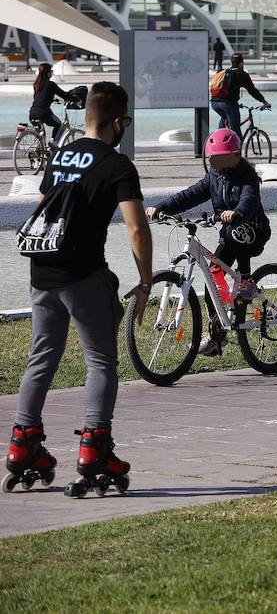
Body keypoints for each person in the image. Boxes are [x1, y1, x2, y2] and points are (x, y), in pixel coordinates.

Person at [11, 82, 151, 497]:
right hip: (82, 272)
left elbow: (42, 206)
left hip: (43, 269)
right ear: (117, 121)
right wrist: (144, 282)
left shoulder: (59, 154)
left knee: (43, 356)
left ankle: (23, 444)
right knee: (101, 360)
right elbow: (137, 227)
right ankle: (95, 448)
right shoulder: (117, 165)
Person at [148, 128, 271, 356]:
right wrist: (161, 208)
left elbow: (249, 200)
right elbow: (189, 195)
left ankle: (246, 279)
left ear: (236, 155)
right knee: (212, 279)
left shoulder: (248, 176)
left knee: (236, 233)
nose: (218, 163)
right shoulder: (214, 176)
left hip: (254, 231)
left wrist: (235, 214)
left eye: (223, 158)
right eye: (214, 159)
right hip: (230, 233)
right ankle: (217, 332)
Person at [210, 52, 270, 134]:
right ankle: (237, 145)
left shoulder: (224, 72)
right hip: (227, 104)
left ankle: (219, 139)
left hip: (214, 103)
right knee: (236, 133)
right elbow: (252, 91)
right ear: (241, 63)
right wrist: (264, 102)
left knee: (224, 117)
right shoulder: (241, 74)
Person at [29, 63, 80, 141]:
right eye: (51, 71)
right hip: (43, 113)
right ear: (48, 73)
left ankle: (40, 150)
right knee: (59, 125)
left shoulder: (36, 84)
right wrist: (77, 100)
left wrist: (52, 99)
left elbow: (39, 98)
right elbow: (64, 95)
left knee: (41, 135)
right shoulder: (50, 84)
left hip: (32, 113)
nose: (52, 73)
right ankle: (53, 143)